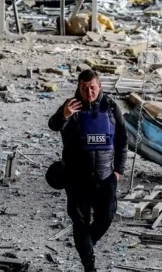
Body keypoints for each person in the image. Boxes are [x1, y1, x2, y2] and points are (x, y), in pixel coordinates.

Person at [48, 69, 128, 272]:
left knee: (106, 217)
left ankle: (85, 244)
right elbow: (53, 125)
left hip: (105, 177)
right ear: (78, 87)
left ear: (99, 86)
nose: (89, 92)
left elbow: (122, 140)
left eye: (92, 88)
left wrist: (118, 170)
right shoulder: (71, 106)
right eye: (84, 88)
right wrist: (64, 114)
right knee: (80, 223)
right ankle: (89, 266)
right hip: (77, 179)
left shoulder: (110, 106)